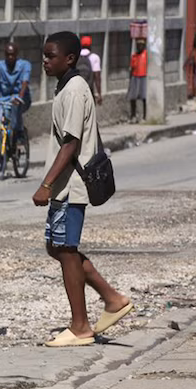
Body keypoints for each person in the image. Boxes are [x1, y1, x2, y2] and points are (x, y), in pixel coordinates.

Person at [35, 31, 132, 347]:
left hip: (70, 185)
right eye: (44, 55)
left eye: (51, 56)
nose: (45, 61)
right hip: (65, 186)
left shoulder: (75, 90)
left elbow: (71, 143)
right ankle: (112, 299)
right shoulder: (65, 86)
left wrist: (47, 184)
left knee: (65, 250)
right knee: (60, 248)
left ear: (70, 59)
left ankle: (81, 326)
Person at [0, 43, 32, 140]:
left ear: (17, 54)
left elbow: (25, 82)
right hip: (3, 99)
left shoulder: (25, 65)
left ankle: (19, 134)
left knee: (15, 112)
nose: (10, 57)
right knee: (0, 121)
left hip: (21, 98)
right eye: (8, 54)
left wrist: (20, 98)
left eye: (12, 54)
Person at [127, 39, 148, 122]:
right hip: (135, 77)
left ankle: (145, 116)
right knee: (132, 97)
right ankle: (133, 116)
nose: (139, 47)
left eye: (141, 45)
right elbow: (131, 68)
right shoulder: (134, 56)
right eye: (138, 45)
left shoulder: (146, 55)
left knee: (144, 97)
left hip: (143, 77)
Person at [79, 36, 103, 105]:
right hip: (89, 90)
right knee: (90, 113)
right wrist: (99, 94)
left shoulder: (75, 57)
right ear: (90, 45)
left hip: (76, 91)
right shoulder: (94, 57)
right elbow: (97, 77)